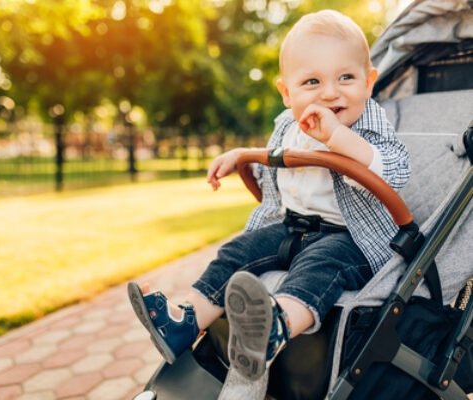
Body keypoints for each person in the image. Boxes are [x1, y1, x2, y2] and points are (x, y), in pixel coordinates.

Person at [127, 8, 410, 394]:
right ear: (287, 92)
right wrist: (241, 156)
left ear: (369, 82)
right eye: (312, 81)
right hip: (292, 226)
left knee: (318, 267)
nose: (330, 92)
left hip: (350, 239)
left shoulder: (369, 123)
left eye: (346, 77)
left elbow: (395, 171)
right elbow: (276, 161)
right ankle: (185, 323)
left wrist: (337, 140)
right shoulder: (286, 124)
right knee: (236, 252)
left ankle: (275, 327)